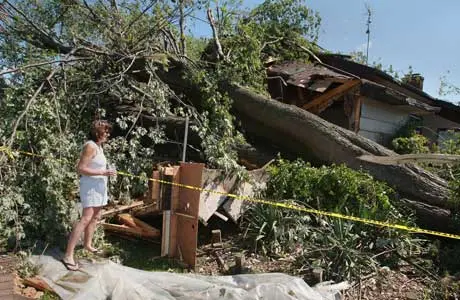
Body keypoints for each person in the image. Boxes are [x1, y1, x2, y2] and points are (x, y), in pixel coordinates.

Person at [61, 120, 116, 271]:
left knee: (96, 217)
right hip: (90, 187)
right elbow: (80, 168)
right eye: (106, 132)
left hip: (100, 186)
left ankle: (88, 244)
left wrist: (107, 172)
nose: (108, 134)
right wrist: (103, 172)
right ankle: (68, 255)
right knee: (85, 219)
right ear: (97, 132)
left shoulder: (99, 146)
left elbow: (97, 166)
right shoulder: (90, 146)